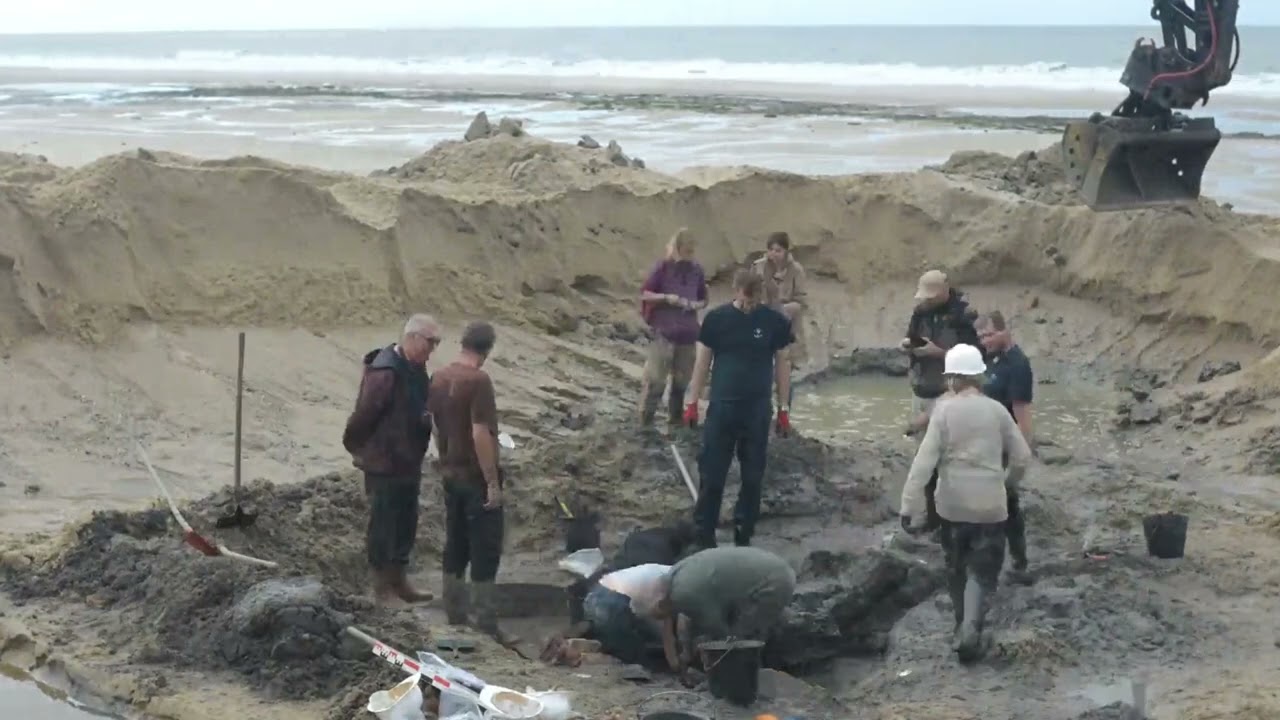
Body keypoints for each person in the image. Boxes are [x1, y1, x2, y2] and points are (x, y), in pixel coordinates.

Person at [899, 344, 1032, 664]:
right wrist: (1006, 484)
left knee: (956, 567)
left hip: (952, 508)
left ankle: (962, 626)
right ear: (979, 377)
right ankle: (971, 629)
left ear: (952, 379)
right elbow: (1022, 457)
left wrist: (908, 505)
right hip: (990, 509)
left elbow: (923, 463)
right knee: (982, 572)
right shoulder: (997, 411)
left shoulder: (943, 412)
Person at [682, 269, 794, 548]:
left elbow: (783, 365)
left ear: (761, 296)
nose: (748, 306)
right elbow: (702, 363)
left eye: (753, 301)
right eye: (744, 300)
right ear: (735, 291)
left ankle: (744, 533)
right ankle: (704, 535)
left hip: (757, 410)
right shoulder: (716, 320)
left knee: (753, 476)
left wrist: (784, 408)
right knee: (712, 474)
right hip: (722, 408)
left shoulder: (775, 322)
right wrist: (692, 402)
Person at [427, 321, 518, 645]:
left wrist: (445, 456)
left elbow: (435, 424)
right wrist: (491, 481)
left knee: (456, 543)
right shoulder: (478, 381)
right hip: (475, 477)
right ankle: (485, 622)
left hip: (451, 474)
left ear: (463, 343)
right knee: (485, 549)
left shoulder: (439, 377)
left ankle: (455, 613)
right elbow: (480, 433)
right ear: (487, 349)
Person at [342, 314, 441, 606]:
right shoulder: (385, 372)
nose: (432, 350)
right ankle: (381, 586)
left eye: (435, 343)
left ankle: (399, 579)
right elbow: (364, 415)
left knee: (406, 520)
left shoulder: (415, 368)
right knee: (383, 522)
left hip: (408, 459)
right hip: (384, 461)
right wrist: (358, 448)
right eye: (430, 342)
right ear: (412, 337)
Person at [651, 547, 796, 678]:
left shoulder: (684, 596)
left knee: (740, 640)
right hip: (768, 570)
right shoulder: (675, 576)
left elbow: (719, 631)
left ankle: (749, 679)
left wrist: (702, 658)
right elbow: (689, 621)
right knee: (738, 630)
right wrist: (687, 652)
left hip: (774, 583)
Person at [976, 311, 1035, 585]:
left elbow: (1023, 417)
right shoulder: (990, 358)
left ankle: (1018, 562)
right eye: (981, 337)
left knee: (1007, 504)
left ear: (1005, 331)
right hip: (984, 443)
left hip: (1004, 446)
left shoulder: (1018, 365)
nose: (984, 341)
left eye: (989, 335)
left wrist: (1020, 455)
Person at [639, 228, 709, 430]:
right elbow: (645, 294)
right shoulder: (662, 267)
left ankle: (675, 424)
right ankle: (646, 423)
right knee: (656, 382)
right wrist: (667, 298)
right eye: (686, 250)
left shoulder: (697, 270)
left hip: (687, 334)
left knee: (681, 383)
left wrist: (695, 304)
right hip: (664, 332)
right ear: (677, 248)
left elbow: (704, 298)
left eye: (692, 250)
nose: (689, 254)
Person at [900, 270, 980, 419]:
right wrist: (908, 346)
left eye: (931, 297)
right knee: (919, 432)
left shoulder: (963, 315)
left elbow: (975, 357)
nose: (927, 301)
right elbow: (911, 335)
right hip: (920, 389)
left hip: (951, 393)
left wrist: (939, 353)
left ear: (944, 291)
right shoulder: (920, 312)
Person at [582, 563, 672, 664]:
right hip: (610, 601)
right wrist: (673, 657)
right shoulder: (674, 584)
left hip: (598, 596)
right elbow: (664, 620)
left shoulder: (670, 573)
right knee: (632, 657)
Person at [752, 231, 809, 372]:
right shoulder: (758, 267)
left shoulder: (796, 270)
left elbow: (801, 301)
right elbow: (749, 291)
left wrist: (781, 310)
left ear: (786, 251)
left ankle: (791, 361)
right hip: (761, 309)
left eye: (778, 251)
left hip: (787, 311)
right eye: (771, 250)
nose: (773, 254)